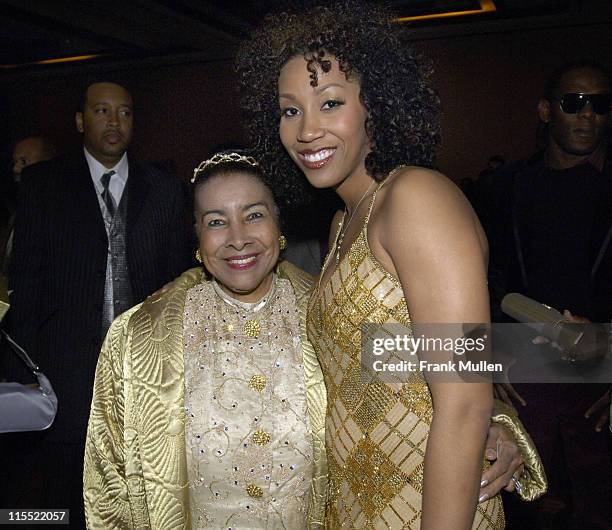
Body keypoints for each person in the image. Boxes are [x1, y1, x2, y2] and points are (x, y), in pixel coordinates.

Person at [84, 151, 544, 529]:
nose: (238, 239)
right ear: (197, 239)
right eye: (216, 222)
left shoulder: (324, 316)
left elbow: (428, 370)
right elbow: (110, 483)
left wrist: (499, 423)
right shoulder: (144, 337)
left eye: (254, 215)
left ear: (281, 228)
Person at [237, 2, 546, 528]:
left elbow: (464, 401)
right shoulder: (344, 223)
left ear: (374, 105)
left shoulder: (417, 197)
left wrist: (489, 414)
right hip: (356, 503)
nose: (307, 130)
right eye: (290, 111)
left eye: (329, 103)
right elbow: (398, 358)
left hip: (430, 507)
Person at [3, 81, 192, 527]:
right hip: (65, 368)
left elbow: (176, 282)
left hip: (142, 373)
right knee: (63, 494)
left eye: (124, 112)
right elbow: (26, 283)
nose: (114, 121)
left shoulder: (162, 187)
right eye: (102, 111)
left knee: (141, 490)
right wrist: (22, 373)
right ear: (80, 120)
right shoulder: (44, 184)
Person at [485, 61, 612, 529]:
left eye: (601, 105)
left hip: (599, 380)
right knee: (518, 505)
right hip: (524, 378)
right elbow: (485, 280)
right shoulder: (505, 187)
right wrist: (488, 355)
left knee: (599, 504)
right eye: (574, 103)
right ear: (545, 110)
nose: (588, 116)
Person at [1, 136, 57, 276]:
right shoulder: (17, 208)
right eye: (15, 162)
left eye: (23, 162)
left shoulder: (59, 215)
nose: (16, 168)